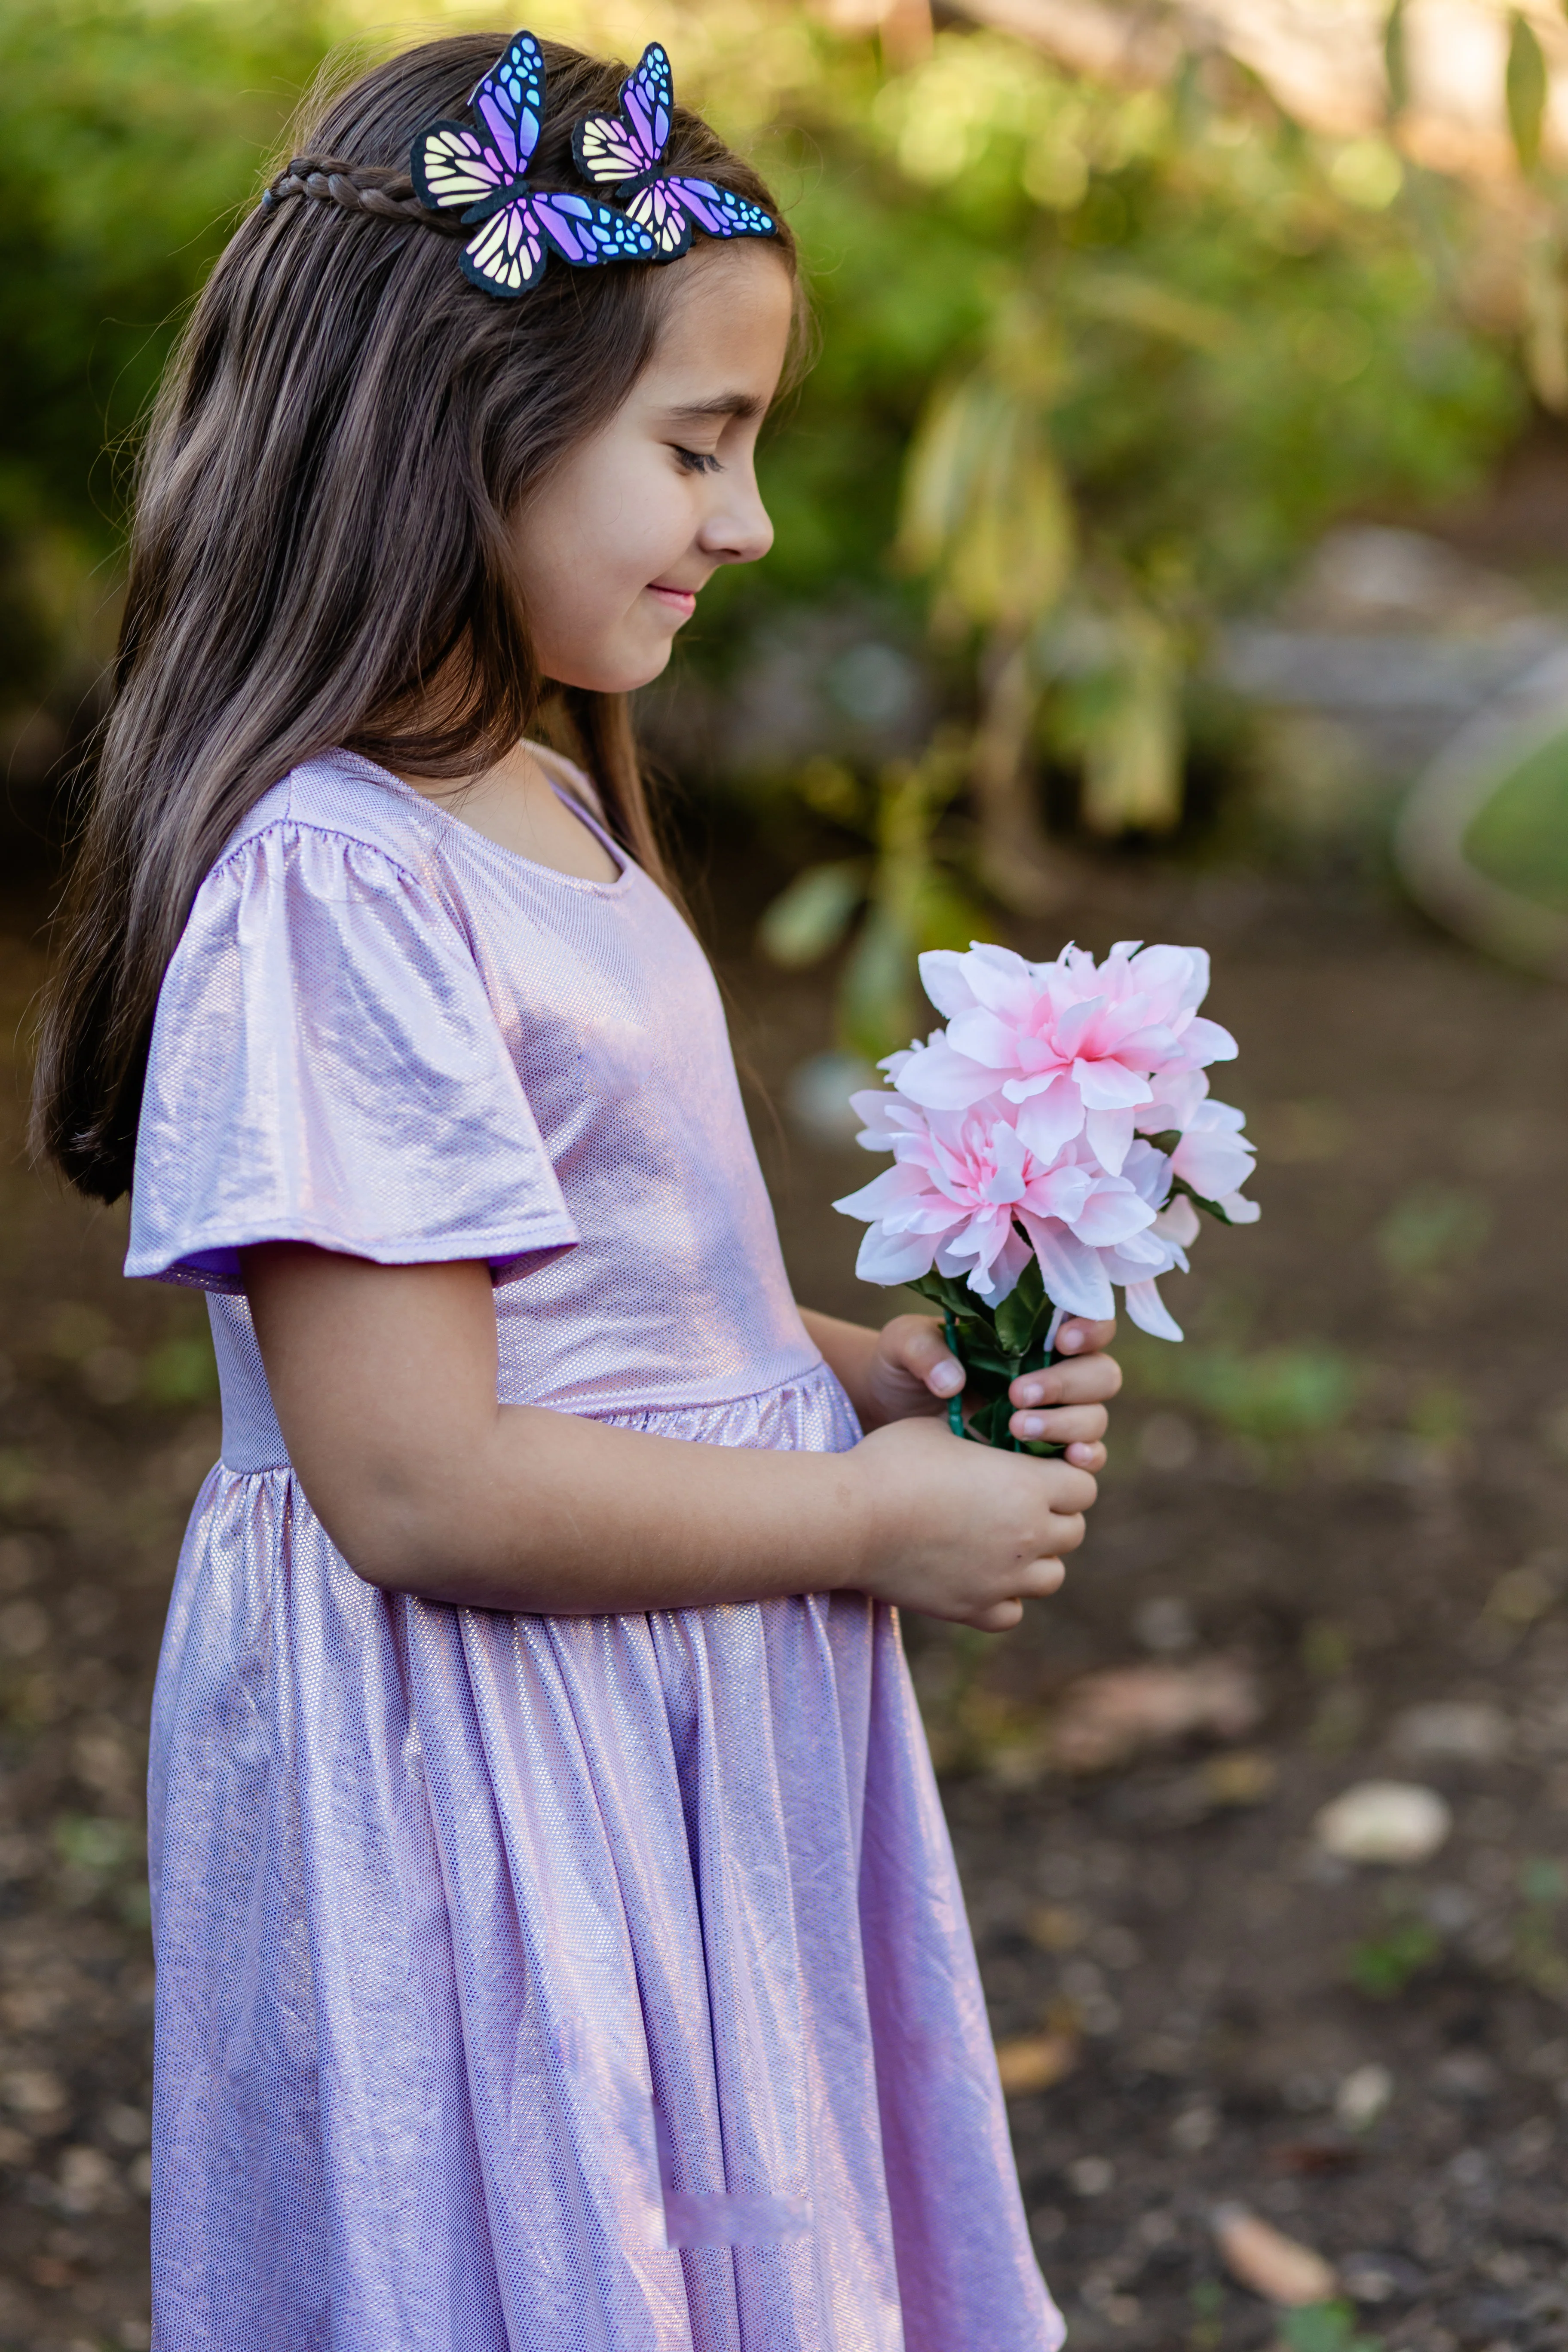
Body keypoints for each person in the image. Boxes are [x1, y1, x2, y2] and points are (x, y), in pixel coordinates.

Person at [31, 29, 1120, 2351]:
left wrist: (854, 1374)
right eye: (695, 445)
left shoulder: (530, 797)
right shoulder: (340, 877)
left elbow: (590, 1296)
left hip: (665, 1717)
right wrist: (868, 1523)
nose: (743, 522)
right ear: (462, 431)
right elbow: (413, 1477)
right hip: (492, 1768)